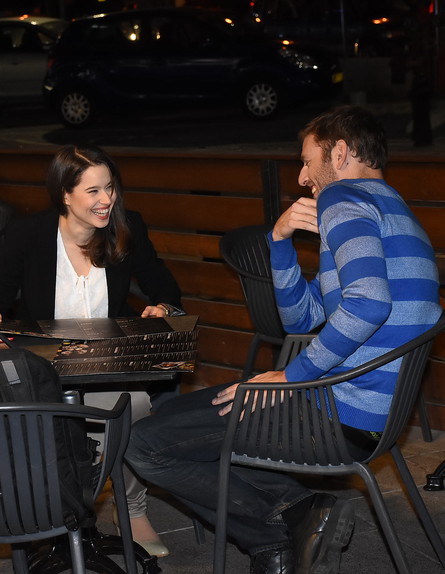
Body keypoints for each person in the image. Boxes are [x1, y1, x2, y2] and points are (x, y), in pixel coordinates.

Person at [124, 105, 442, 574]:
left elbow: (369, 304)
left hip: (337, 415)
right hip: (374, 416)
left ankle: (274, 536)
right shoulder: (393, 210)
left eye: (307, 161)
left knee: (143, 444)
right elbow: (302, 319)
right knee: (176, 417)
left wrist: (291, 377)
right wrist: (278, 240)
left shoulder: (343, 198)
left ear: (339, 152)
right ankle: (302, 514)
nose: (301, 177)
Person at [0, 144, 184, 558]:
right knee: (41, 424)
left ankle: (131, 507)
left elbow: (165, 287)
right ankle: (58, 505)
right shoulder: (28, 234)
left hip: (107, 368)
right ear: (65, 195)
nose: (107, 200)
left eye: (110, 188)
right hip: (43, 374)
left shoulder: (126, 227)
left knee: (134, 404)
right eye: (93, 191)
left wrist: (162, 308)